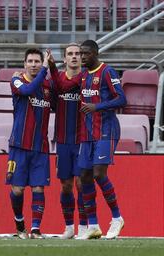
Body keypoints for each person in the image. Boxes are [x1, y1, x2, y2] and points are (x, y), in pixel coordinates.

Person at [77, 40, 126, 239]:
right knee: (84, 177)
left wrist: (96, 107)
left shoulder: (107, 72)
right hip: (88, 132)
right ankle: (93, 225)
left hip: (107, 129)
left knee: (98, 173)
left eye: (86, 53)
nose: (82, 57)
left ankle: (117, 218)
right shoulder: (83, 76)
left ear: (95, 53)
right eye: (80, 54)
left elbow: (122, 99)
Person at [6, 48, 51, 239]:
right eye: (30, 61)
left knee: (38, 188)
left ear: (42, 63)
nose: (33, 64)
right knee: (17, 189)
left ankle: (35, 228)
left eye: (37, 61)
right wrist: (45, 70)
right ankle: (19, 222)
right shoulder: (17, 81)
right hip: (19, 145)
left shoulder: (49, 87)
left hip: (40, 146)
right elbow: (27, 90)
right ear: (24, 64)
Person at [48, 44, 88, 239]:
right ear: (64, 59)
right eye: (70, 54)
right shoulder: (57, 81)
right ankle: (69, 226)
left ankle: (84, 226)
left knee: (81, 183)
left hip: (82, 140)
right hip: (63, 140)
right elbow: (52, 102)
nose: (74, 57)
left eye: (77, 54)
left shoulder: (86, 79)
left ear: (82, 58)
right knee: (66, 185)